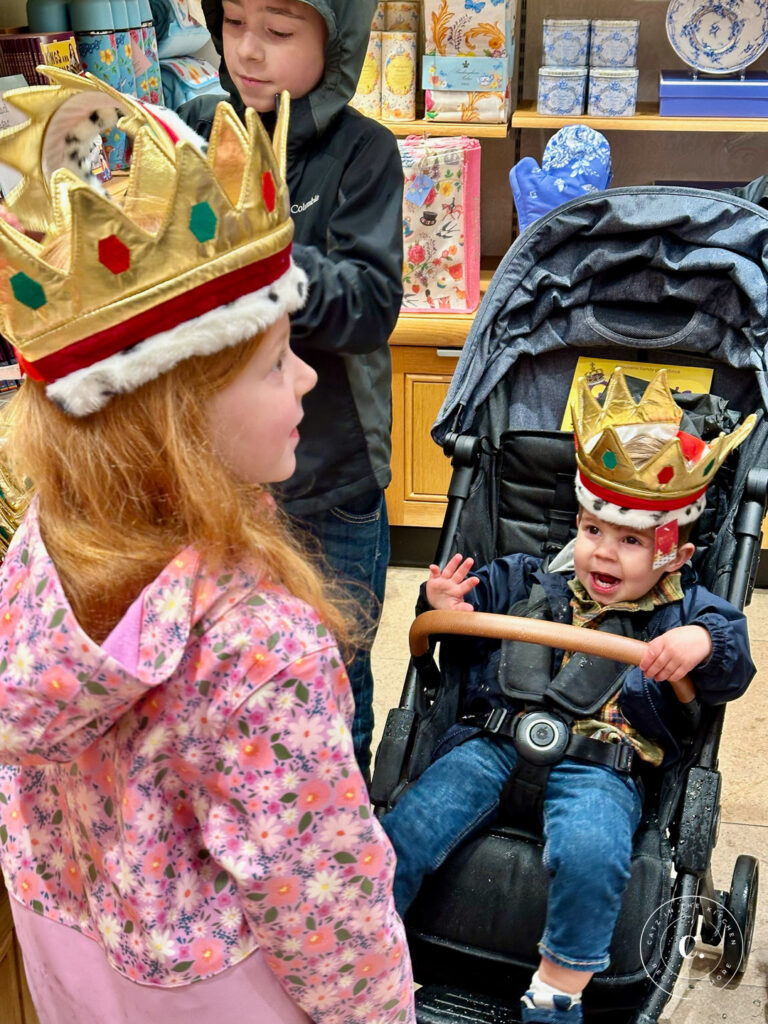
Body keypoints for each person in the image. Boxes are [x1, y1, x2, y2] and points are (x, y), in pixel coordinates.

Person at [0, 71, 414, 1024]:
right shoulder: (263, 642)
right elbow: (328, 909)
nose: (310, 375)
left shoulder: (42, 539)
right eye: (274, 361)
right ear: (177, 424)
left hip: (76, 968)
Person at [381, 369, 756, 1024]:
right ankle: (368, 950)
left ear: (675, 552)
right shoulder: (530, 576)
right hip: (494, 738)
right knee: (406, 828)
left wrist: (701, 641)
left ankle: (556, 994)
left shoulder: (682, 611)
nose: (603, 552)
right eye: (591, 530)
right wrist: (442, 602)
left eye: (631, 540)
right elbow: (461, 633)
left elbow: (731, 659)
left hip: (600, 767)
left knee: (593, 855)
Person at [179, 0, 405, 781]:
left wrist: (268, 261)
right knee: (231, 666)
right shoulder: (198, 128)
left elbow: (373, 306)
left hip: (333, 475)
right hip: (223, 474)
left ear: (335, 42)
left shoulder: (365, 153)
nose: (249, 50)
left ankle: (353, 833)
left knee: (335, 666)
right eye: (234, 21)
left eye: (278, 32)